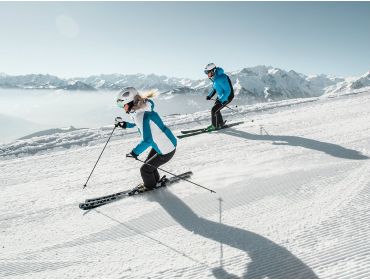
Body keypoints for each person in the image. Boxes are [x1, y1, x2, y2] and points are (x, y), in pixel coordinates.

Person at [115, 87, 177, 191]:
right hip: (165, 143)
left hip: (166, 149)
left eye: (122, 105)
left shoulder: (141, 115)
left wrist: (134, 152)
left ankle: (150, 187)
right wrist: (124, 125)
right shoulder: (141, 110)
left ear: (129, 102)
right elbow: (138, 125)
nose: (122, 108)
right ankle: (155, 182)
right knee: (149, 165)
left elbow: (147, 140)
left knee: (145, 170)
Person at [204, 63, 234, 131]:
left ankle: (214, 126)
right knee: (216, 109)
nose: (207, 74)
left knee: (214, 110)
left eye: (207, 72)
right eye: (206, 72)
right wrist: (209, 95)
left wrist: (221, 100)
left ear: (213, 71)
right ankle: (220, 123)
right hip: (221, 96)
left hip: (227, 96)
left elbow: (228, 90)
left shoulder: (221, 77)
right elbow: (215, 88)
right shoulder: (215, 77)